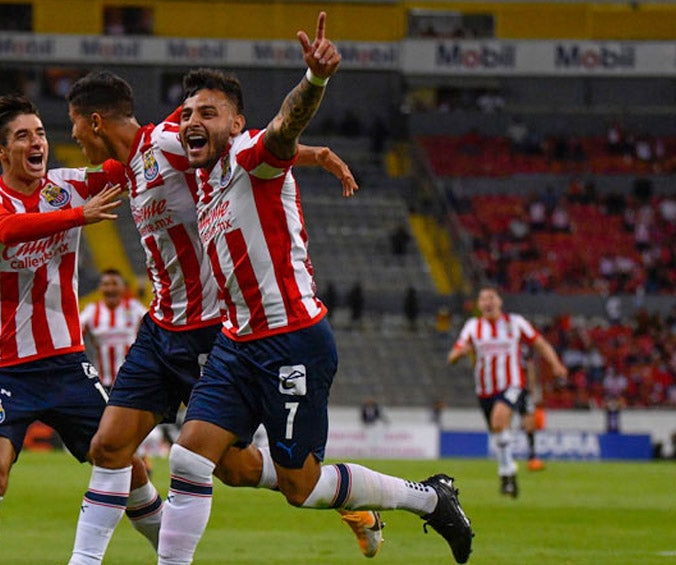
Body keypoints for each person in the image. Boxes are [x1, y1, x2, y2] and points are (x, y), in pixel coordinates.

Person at [157, 13, 473, 565]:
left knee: (301, 487)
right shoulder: (204, 181)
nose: (192, 121)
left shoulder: (249, 155)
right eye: (186, 113)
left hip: (292, 342)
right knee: (196, 459)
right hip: (237, 345)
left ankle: (427, 498)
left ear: (236, 124)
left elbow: (284, 128)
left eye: (208, 112)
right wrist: (321, 154)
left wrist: (315, 82)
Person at [65, 69, 377, 564]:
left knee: (229, 468)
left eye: (73, 126)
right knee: (108, 448)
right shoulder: (126, 168)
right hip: (160, 327)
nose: (73, 137)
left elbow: (245, 149)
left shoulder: (170, 144)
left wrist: (310, 153)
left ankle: (339, 495)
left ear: (93, 121)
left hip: (211, 331)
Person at [0, 94, 147, 565]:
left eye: (40, 133)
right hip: (5, 366)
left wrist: (125, 133)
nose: (37, 142)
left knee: (131, 466)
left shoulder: (68, 184)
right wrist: (80, 214)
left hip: (66, 364)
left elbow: (134, 163)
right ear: (0, 151)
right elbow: (5, 230)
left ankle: (174, 555)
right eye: (23, 136)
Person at [447, 285, 567, 499]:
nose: (488, 301)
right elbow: (452, 356)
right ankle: (508, 472)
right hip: (484, 389)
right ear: (479, 305)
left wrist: (556, 364)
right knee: (497, 431)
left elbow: (540, 343)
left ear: (500, 302)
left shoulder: (515, 322)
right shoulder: (473, 326)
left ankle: (506, 472)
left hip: (512, 384)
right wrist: (460, 354)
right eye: (483, 298)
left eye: (491, 297)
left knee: (499, 421)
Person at [79, 269, 147, 390]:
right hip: (103, 383)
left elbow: (156, 327)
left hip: (132, 380)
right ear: (100, 288)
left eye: (114, 284)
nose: (110, 289)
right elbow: (74, 335)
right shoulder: (92, 311)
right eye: (106, 284)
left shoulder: (134, 308)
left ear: (122, 288)